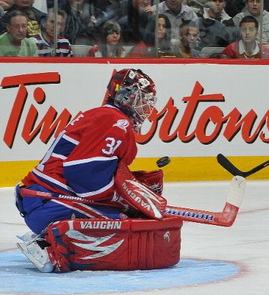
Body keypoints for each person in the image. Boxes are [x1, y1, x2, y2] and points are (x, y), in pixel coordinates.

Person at [14, 69, 183, 273]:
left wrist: (131, 189)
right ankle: (48, 246)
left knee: (127, 220)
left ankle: (47, 235)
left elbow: (94, 171)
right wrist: (123, 200)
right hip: (50, 201)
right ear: (125, 95)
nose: (145, 107)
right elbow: (82, 173)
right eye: (141, 99)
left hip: (43, 200)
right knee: (124, 226)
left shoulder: (106, 116)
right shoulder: (116, 121)